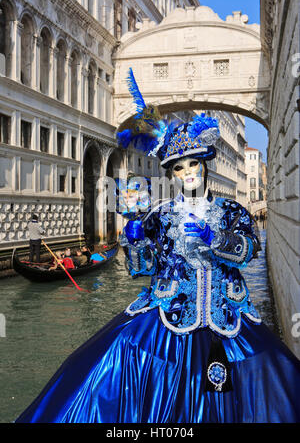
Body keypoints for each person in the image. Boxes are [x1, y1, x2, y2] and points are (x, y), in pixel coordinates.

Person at [15, 70, 300, 423]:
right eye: (179, 168)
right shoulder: (160, 215)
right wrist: (134, 239)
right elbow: (144, 268)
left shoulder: (230, 211)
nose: (188, 172)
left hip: (226, 316)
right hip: (169, 315)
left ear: (204, 164)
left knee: (272, 377)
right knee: (119, 360)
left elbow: (246, 252)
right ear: (173, 174)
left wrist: (217, 240)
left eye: (193, 163)